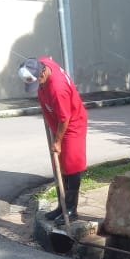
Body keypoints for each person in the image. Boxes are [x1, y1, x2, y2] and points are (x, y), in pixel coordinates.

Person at [18, 57, 88, 224]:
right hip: (58, 122)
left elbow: (65, 119)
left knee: (71, 167)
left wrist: (57, 141)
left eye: (38, 83)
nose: (39, 87)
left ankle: (71, 210)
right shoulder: (43, 64)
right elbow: (47, 58)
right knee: (61, 167)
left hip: (71, 125)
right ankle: (61, 205)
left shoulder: (58, 89)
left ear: (42, 73)